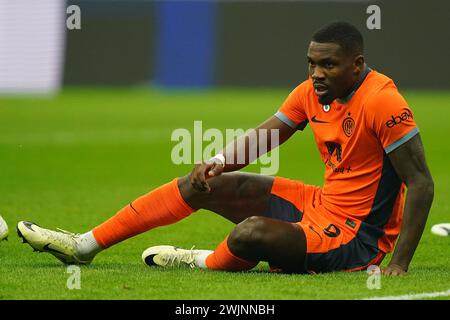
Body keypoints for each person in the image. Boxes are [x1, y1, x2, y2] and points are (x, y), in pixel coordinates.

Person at [17, 21, 434, 276]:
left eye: (328, 65)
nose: (316, 73)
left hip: (356, 238)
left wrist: (398, 263)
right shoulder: (312, 91)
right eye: (311, 62)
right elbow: (267, 134)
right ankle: (84, 245)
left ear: (357, 64)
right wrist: (215, 162)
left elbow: (421, 183)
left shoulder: (383, 101)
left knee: (250, 233)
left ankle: (198, 261)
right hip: (320, 205)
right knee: (207, 184)